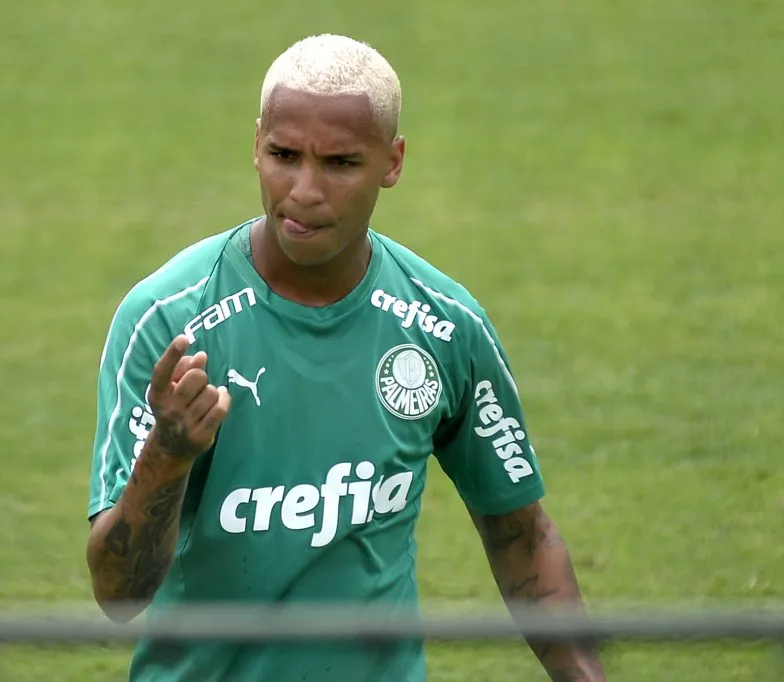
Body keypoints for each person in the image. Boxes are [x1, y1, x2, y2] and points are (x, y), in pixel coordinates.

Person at [85, 33, 606, 682]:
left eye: (339, 163)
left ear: (393, 162)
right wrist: (168, 451)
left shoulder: (443, 325)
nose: (304, 190)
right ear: (255, 146)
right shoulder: (167, 322)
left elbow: (520, 534)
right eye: (283, 155)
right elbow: (117, 593)